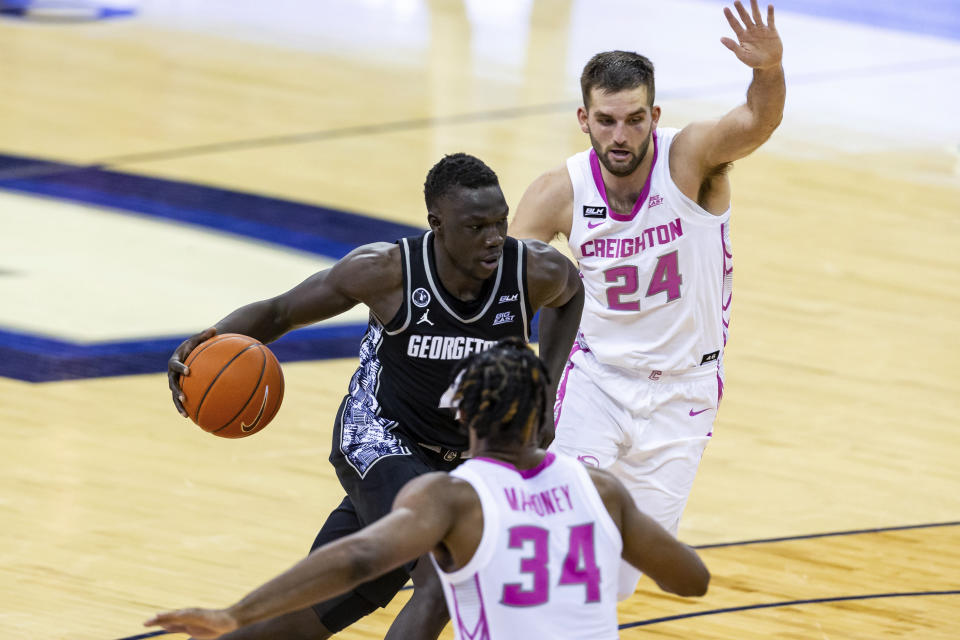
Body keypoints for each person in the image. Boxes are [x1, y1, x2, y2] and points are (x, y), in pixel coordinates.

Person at [166, 152, 583, 639]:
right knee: (444, 572)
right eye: (476, 227)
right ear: (437, 225)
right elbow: (279, 312)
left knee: (322, 606)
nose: (493, 237)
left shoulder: (532, 269)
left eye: (499, 222)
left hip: (463, 456)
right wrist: (210, 338)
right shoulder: (387, 270)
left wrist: (546, 389)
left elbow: (570, 295)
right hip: (380, 435)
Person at [148, 339, 709, 640]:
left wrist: (236, 613)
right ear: (543, 414)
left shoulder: (456, 498)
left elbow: (361, 555)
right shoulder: (600, 491)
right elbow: (692, 580)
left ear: (463, 412)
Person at [508, 0, 785, 600]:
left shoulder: (690, 158)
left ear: (654, 114)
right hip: (596, 384)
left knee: (618, 578)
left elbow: (756, 124)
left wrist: (768, 71)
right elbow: (500, 289)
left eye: (634, 119)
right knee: (562, 538)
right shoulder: (558, 192)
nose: (621, 135)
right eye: (606, 121)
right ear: (583, 117)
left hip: (684, 393)